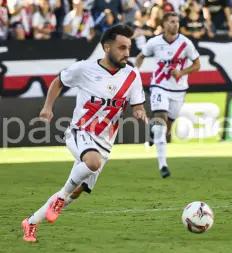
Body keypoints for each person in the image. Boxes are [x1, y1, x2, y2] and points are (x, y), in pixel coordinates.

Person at [21, 24, 148, 242]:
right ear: (107, 48)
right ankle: (60, 198)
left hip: (106, 142)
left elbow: (137, 105)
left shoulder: (132, 76)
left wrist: (139, 112)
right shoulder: (84, 68)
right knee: (92, 163)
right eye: (121, 48)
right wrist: (48, 107)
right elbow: (58, 81)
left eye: (129, 48)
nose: (127, 53)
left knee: (77, 190)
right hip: (80, 131)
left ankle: (31, 222)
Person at [135, 12, 201, 179]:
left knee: (166, 129)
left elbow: (197, 64)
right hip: (159, 86)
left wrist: (182, 72)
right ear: (163, 24)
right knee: (160, 122)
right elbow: (141, 56)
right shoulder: (155, 42)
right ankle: (163, 165)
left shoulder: (185, 43)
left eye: (177, 22)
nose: (175, 24)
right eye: (171, 22)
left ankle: (153, 133)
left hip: (179, 90)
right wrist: (135, 73)